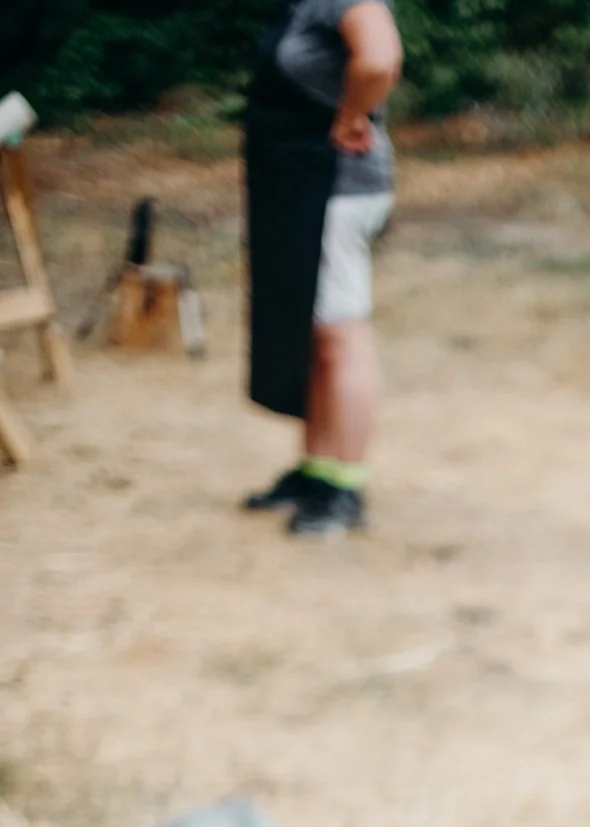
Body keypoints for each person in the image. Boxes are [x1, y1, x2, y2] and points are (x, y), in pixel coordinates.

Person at [242, 0, 402, 536]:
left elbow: (379, 58)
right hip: (299, 184)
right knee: (313, 333)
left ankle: (347, 485)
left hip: (337, 185)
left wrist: (352, 115)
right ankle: (316, 471)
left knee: (340, 333)